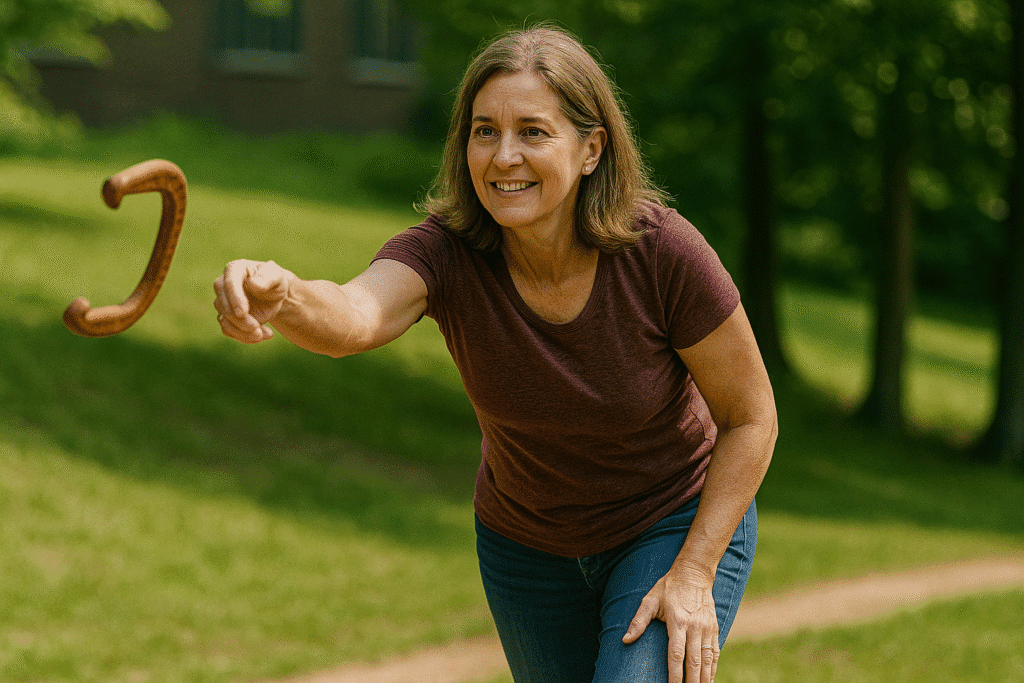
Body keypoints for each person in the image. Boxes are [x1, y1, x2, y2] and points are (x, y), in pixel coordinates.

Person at [213, 24, 776, 683]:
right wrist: (281, 294)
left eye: (532, 132)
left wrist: (695, 569)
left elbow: (751, 415)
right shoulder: (447, 252)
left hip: (669, 522)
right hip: (528, 551)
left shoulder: (661, 253)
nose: (503, 156)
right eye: (485, 130)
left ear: (591, 148)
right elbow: (355, 315)